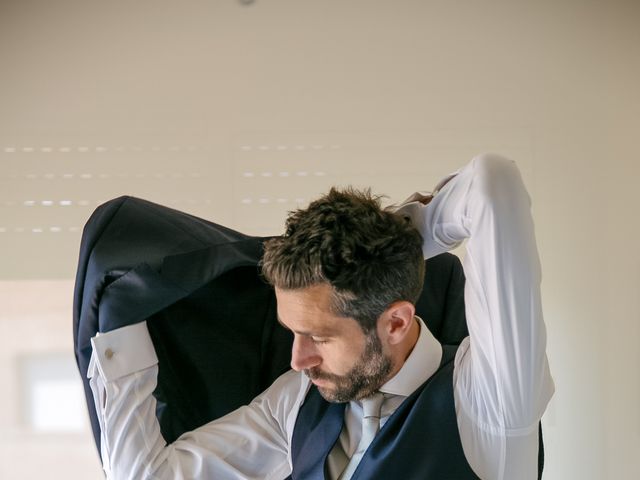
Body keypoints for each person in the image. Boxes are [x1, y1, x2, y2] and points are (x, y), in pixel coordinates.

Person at [88, 153, 554, 479]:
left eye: (319, 337)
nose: (298, 359)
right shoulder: (297, 403)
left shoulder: (490, 400)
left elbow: (494, 184)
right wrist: (120, 319)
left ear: (395, 322)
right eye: (292, 332)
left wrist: (401, 244)